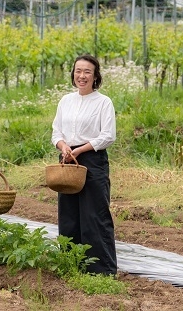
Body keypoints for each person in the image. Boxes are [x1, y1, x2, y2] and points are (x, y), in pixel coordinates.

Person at [51, 53, 117, 275]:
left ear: (95, 75)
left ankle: (101, 270)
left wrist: (79, 149)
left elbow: (108, 136)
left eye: (87, 71)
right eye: (78, 71)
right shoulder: (65, 101)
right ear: (73, 74)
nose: (82, 75)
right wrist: (63, 147)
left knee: (94, 215)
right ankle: (71, 264)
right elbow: (56, 131)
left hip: (92, 159)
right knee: (68, 215)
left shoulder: (103, 102)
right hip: (66, 159)